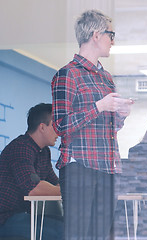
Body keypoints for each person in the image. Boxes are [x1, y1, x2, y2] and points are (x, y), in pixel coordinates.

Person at [51, 9, 133, 239]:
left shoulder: (106, 78)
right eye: (110, 34)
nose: (113, 41)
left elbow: (111, 127)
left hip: (108, 167)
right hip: (80, 167)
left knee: (103, 235)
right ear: (96, 35)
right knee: (79, 235)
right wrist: (99, 106)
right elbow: (60, 126)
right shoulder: (67, 75)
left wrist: (121, 113)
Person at [0, 103, 62, 239]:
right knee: (61, 233)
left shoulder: (44, 152)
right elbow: (34, 189)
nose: (59, 131)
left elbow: (55, 183)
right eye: (55, 125)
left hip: (27, 215)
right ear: (42, 127)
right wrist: (65, 191)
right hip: (7, 218)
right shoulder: (21, 148)